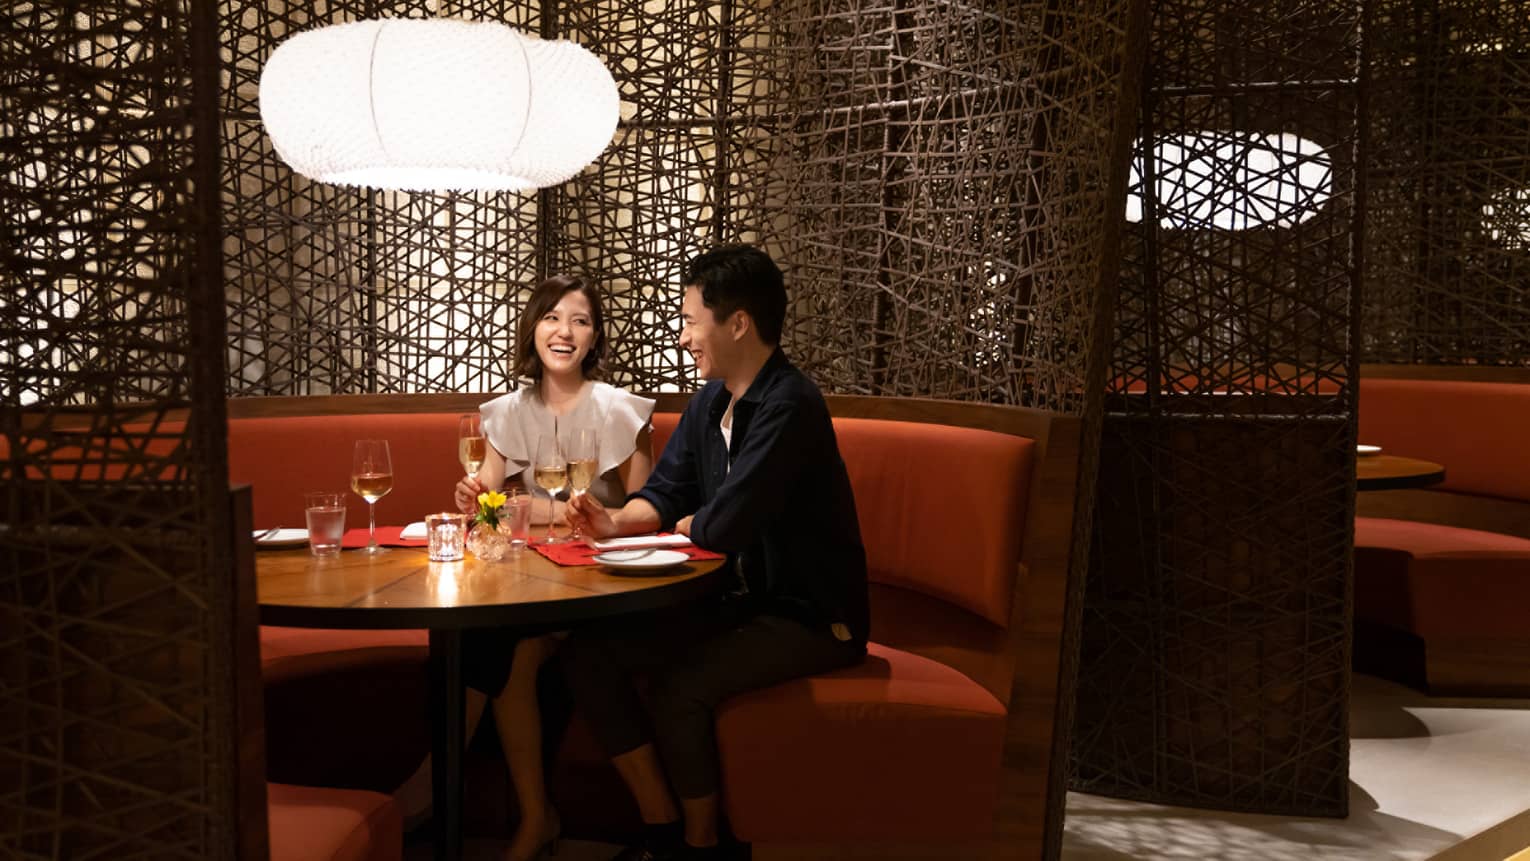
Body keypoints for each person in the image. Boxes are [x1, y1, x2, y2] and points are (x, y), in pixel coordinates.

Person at [563, 245, 869, 860]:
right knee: (589, 655)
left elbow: (724, 524)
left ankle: (704, 846)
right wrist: (615, 522)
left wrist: (692, 521)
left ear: (738, 324)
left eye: (689, 321)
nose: (683, 339)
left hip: (811, 615)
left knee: (682, 687)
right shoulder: (709, 401)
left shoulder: (790, 404)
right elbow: (670, 491)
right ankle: (662, 827)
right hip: (737, 601)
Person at [395, 273, 656, 861]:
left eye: (580, 321)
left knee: (491, 643)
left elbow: (653, 517)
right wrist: (474, 500)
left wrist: (546, 511)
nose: (564, 332)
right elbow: (487, 510)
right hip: (531, 584)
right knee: (496, 646)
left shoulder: (623, 411)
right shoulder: (507, 411)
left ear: (594, 338)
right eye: (552, 318)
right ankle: (531, 816)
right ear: (533, 328)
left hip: (598, 589)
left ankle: (434, 790)